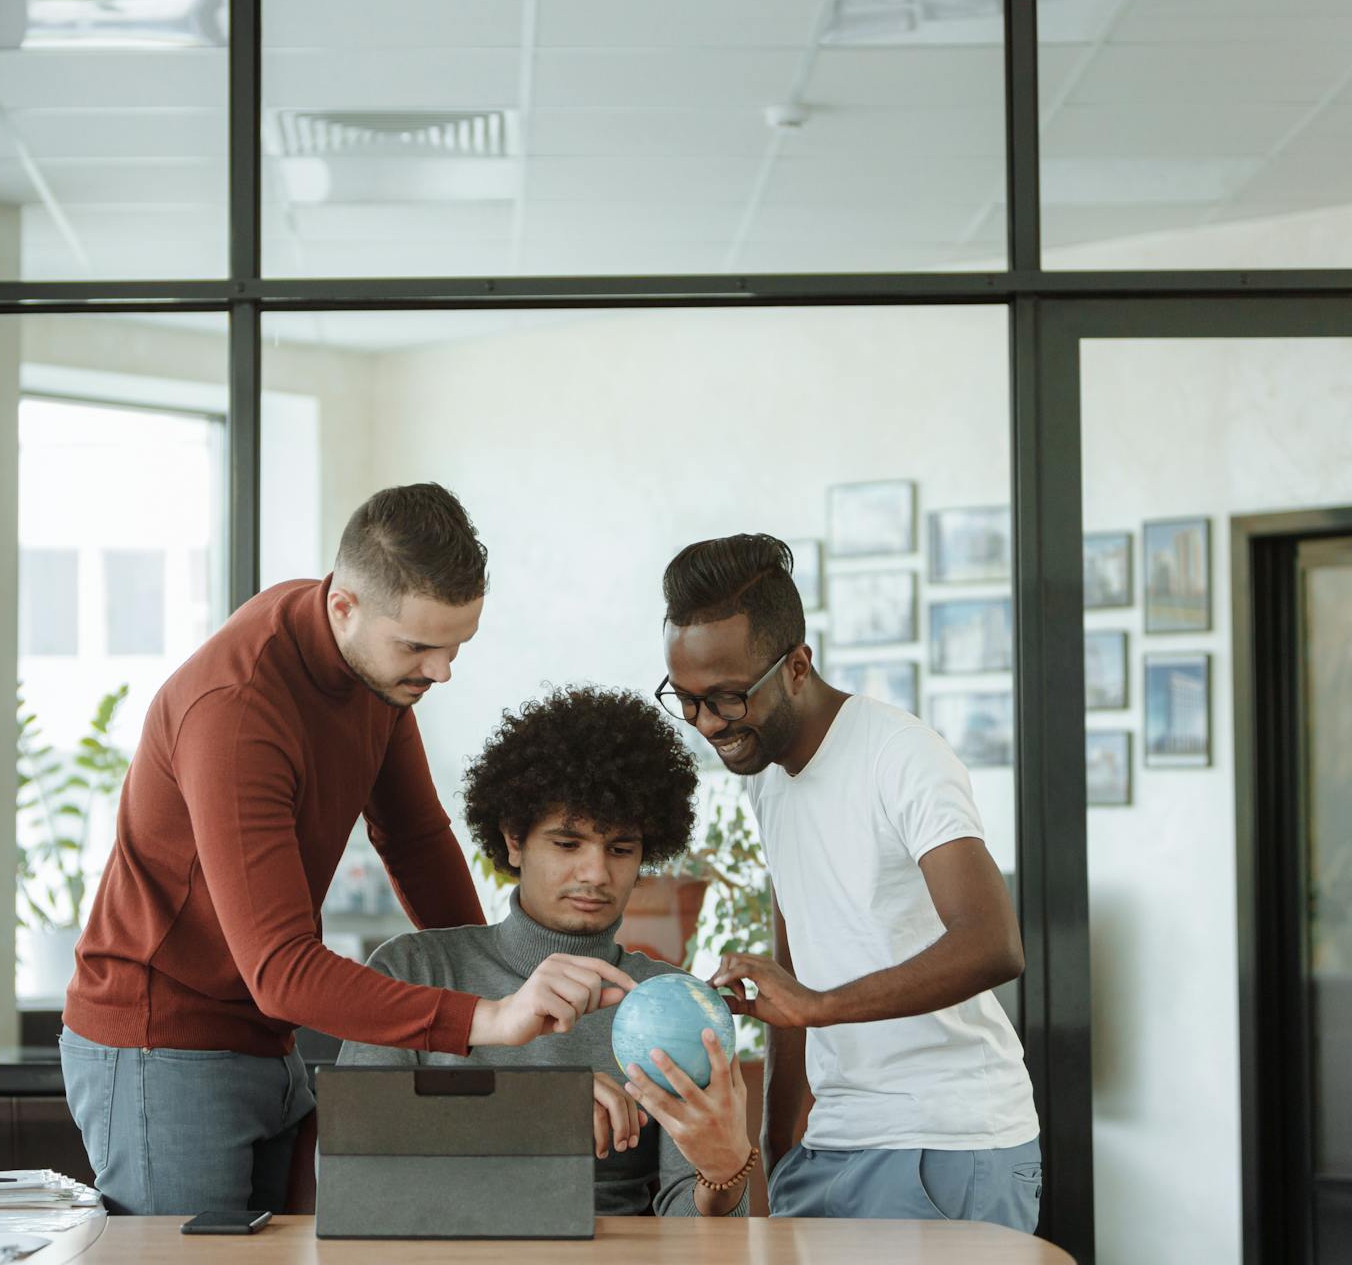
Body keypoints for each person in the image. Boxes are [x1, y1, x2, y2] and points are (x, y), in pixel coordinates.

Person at [60, 484, 638, 1215]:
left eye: (456, 647)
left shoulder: (373, 671)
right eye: (419, 647)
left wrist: (500, 982)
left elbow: (417, 841)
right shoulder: (239, 711)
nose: (441, 672)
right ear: (344, 606)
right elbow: (280, 969)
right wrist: (485, 1019)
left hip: (266, 1042)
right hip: (162, 1042)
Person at [656, 534, 1041, 1231]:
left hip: (944, 1144)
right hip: (826, 1150)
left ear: (798, 666)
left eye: (729, 697)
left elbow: (993, 943)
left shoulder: (900, 755)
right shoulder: (770, 782)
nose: (708, 724)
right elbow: (794, 966)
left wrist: (818, 1006)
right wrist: (776, 1145)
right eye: (685, 700)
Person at [341, 685, 754, 1218]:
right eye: (566, 844)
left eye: (622, 849)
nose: (596, 874)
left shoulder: (669, 1004)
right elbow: (352, 1172)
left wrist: (723, 1177)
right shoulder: (412, 971)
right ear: (513, 840)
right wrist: (537, 1112)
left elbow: (695, 1228)